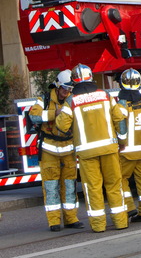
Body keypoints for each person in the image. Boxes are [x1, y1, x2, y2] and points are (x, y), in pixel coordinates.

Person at [56, 63, 128, 233]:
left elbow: (62, 127)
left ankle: (98, 225)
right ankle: (120, 222)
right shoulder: (104, 95)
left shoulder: (71, 101)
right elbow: (119, 119)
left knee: (93, 188)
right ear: (91, 77)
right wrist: (122, 141)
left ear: (74, 81)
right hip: (109, 149)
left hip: (87, 152)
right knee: (114, 185)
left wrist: (59, 114)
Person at [29, 70, 84, 232]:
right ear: (58, 86)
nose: (67, 92)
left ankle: (71, 219)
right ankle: (54, 222)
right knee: (51, 186)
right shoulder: (44, 99)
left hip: (68, 150)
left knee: (69, 186)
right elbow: (34, 116)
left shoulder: (72, 100)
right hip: (49, 150)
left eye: (70, 89)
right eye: (65, 88)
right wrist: (55, 113)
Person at [117, 68, 141, 223]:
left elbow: (121, 128)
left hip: (126, 151)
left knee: (120, 179)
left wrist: (121, 144)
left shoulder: (121, 105)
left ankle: (129, 207)